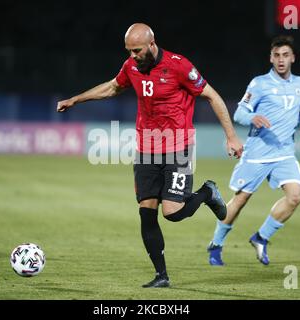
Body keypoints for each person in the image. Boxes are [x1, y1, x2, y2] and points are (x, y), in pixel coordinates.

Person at [57, 23, 243, 287]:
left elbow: (212, 96)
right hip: (146, 149)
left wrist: (231, 136)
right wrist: (76, 99)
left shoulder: (179, 66)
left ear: (151, 44)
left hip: (178, 147)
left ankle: (207, 192)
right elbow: (111, 87)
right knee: (146, 211)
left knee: (173, 213)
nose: (132, 56)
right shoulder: (131, 66)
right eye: (129, 51)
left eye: (136, 50)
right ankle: (161, 275)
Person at [208, 35, 300, 266]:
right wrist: (252, 116)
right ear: (271, 58)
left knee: (295, 195)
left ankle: (261, 237)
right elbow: (239, 114)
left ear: (293, 58)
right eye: (277, 56)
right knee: (240, 200)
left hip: (285, 153)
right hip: (257, 154)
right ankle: (216, 244)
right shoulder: (259, 84)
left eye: (285, 55)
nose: (281, 60)